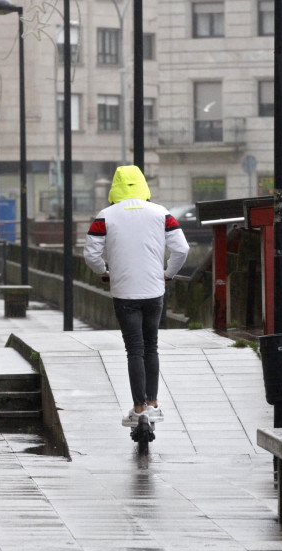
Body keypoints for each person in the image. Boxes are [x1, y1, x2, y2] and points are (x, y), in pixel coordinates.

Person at [83, 165, 189, 427]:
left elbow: (91, 254)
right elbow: (182, 249)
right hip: (154, 291)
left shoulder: (105, 216)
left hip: (125, 292)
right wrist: (168, 274)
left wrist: (104, 271)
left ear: (115, 186)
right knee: (151, 346)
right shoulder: (162, 213)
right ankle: (152, 404)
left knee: (134, 350)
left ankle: (138, 408)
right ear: (143, 185)